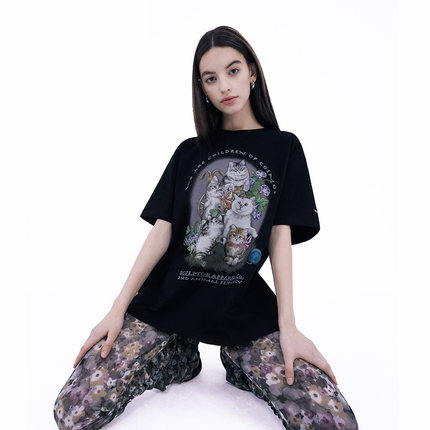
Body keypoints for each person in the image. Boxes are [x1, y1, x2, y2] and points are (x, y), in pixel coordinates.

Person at [53, 25, 359, 430]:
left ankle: (238, 362)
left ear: (252, 72)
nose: (224, 86)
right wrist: (117, 310)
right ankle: (179, 357)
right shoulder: (188, 152)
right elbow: (161, 232)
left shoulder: (284, 148)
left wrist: (288, 326)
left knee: (332, 422)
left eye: (233, 71)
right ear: (202, 88)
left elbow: (278, 235)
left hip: (243, 309)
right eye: (210, 78)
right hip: (168, 301)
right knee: (73, 412)